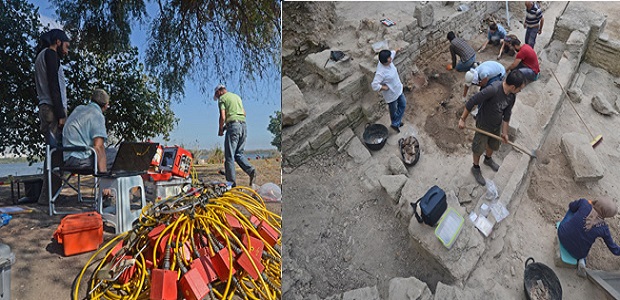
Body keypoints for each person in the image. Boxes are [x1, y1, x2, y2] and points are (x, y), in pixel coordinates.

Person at [458, 70, 526, 186]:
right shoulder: (493, 90)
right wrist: (462, 119)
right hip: (483, 124)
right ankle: (475, 167)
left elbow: (507, 114)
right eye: (520, 89)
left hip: (496, 124)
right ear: (513, 87)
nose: (520, 91)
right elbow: (473, 101)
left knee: (493, 145)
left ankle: (488, 159)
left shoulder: (511, 96)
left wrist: (504, 133)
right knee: (478, 147)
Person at [34, 29, 71, 205]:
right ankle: (49, 197)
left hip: (46, 108)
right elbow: (54, 86)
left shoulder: (41, 56)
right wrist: (61, 114)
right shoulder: (50, 55)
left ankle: (49, 196)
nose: (67, 50)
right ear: (58, 42)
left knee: (52, 153)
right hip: (51, 109)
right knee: (56, 155)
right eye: (66, 45)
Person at [558, 197, 620, 277]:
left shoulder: (584, 203)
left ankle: (568, 229)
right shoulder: (604, 228)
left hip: (562, 235)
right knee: (585, 239)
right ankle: (581, 261)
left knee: (572, 211)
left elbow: (571, 206)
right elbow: (614, 249)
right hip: (578, 253)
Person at [62, 89, 117, 173]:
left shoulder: (78, 109)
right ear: (106, 105)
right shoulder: (96, 115)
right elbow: (98, 147)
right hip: (80, 160)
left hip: (67, 159)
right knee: (118, 155)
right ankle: (111, 185)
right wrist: (103, 173)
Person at [214, 84, 257, 187]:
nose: (218, 98)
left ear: (219, 91)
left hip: (233, 127)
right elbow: (243, 113)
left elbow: (223, 117)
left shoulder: (222, 99)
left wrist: (220, 129)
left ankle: (231, 184)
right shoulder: (236, 97)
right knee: (238, 154)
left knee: (229, 156)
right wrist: (227, 126)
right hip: (243, 126)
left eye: (217, 95)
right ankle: (251, 171)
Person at [371, 49, 407, 133]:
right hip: (391, 95)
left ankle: (396, 123)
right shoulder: (381, 72)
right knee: (393, 111)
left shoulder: (388, 59)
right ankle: (395, 123)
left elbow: (394, 52)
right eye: (389, 59)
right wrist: (384, 88)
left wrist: (398, 49)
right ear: (384, 62)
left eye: (390, 57)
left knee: (403, 104)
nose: (391, 59)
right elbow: (374, 85)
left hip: (398, 89)